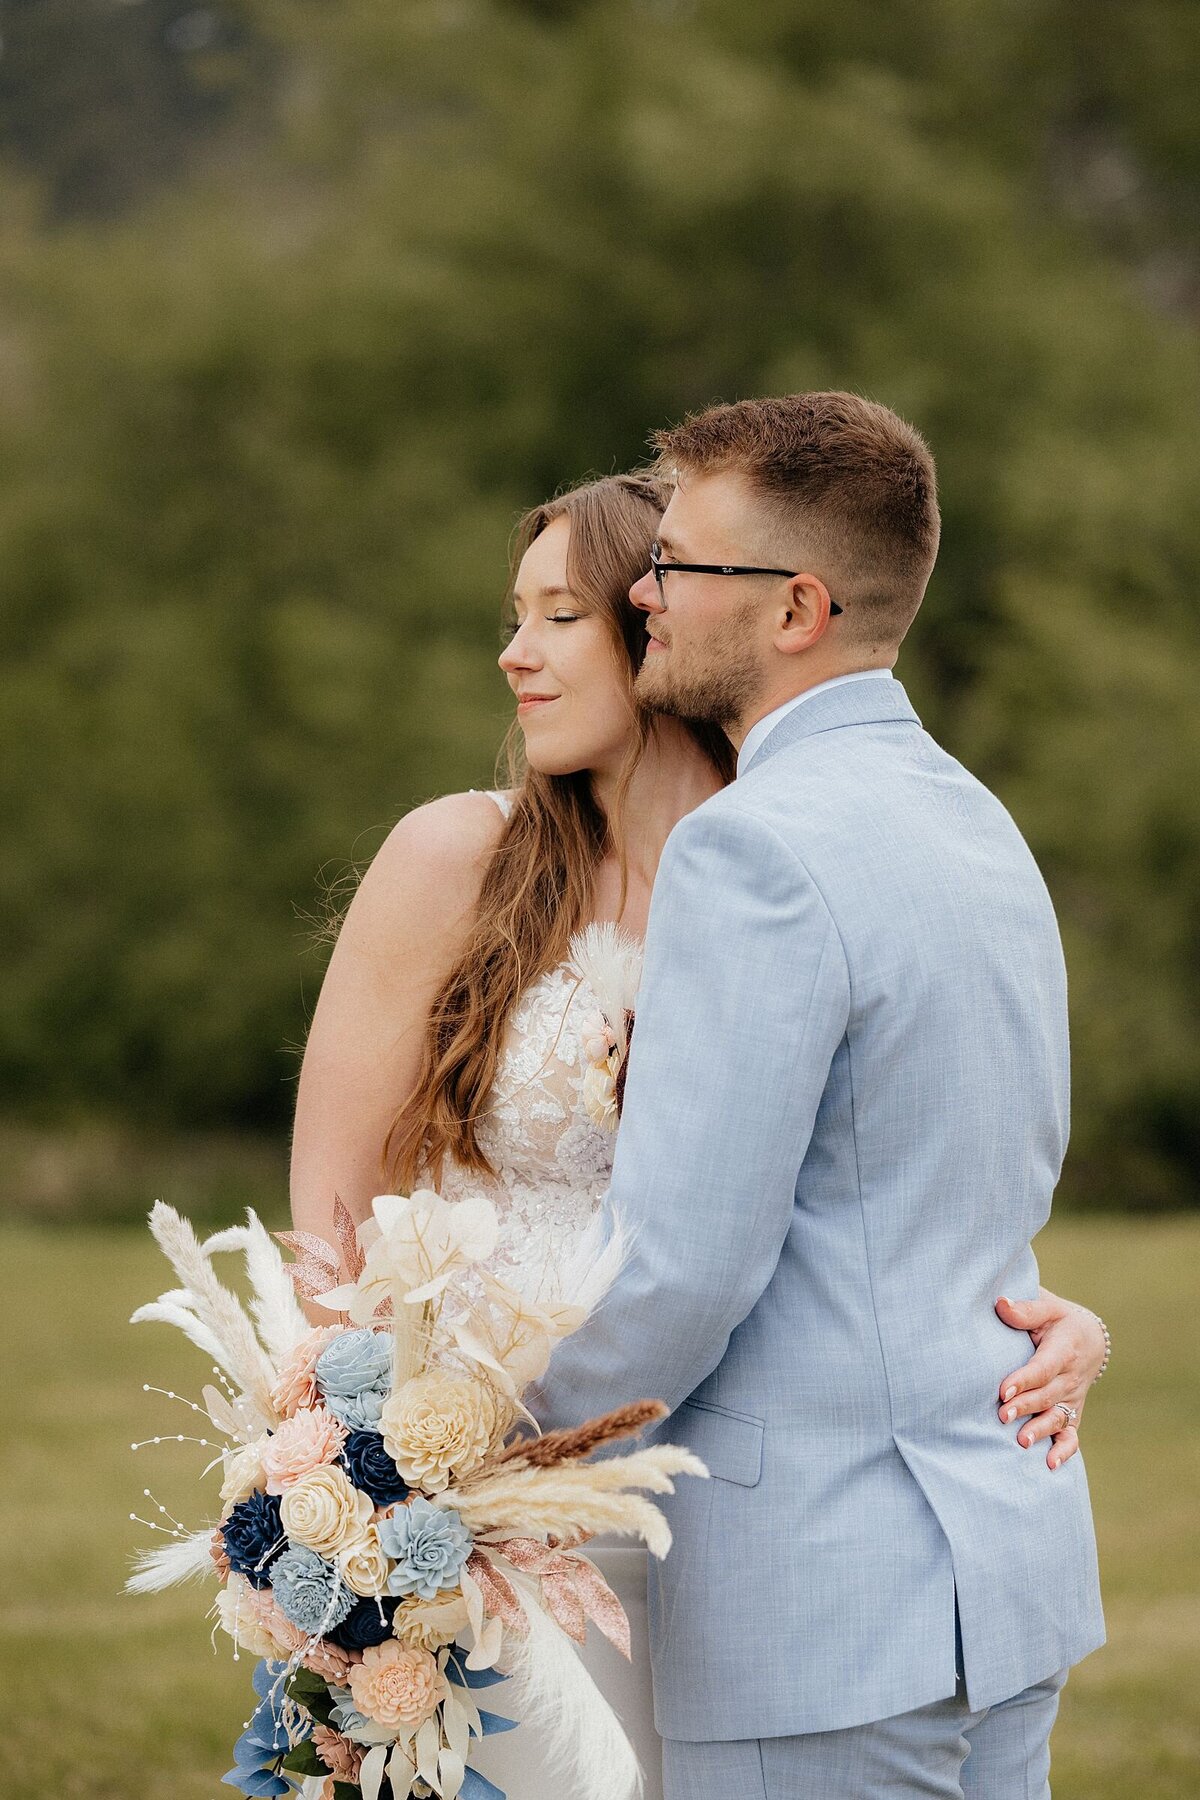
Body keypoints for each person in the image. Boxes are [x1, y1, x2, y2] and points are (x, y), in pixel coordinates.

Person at [289, 464, 1107, 1798]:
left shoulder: (775, 859)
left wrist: (1032, 1310)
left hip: (728, 1532)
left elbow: (810, 1210)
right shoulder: (459, 859)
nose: (516, 652)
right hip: (503, 1519)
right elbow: (329, 1229)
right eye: (518, 612)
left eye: (565, 613)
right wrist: (373, 1474)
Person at [528, 396, 1106, 1799]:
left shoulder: (754, 852)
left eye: (677, 566)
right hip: (1000, 1571)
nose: (644, 595)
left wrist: (466, 1446)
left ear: (797, 606)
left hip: (821, 1605)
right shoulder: (976, 818)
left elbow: (683, 1271)